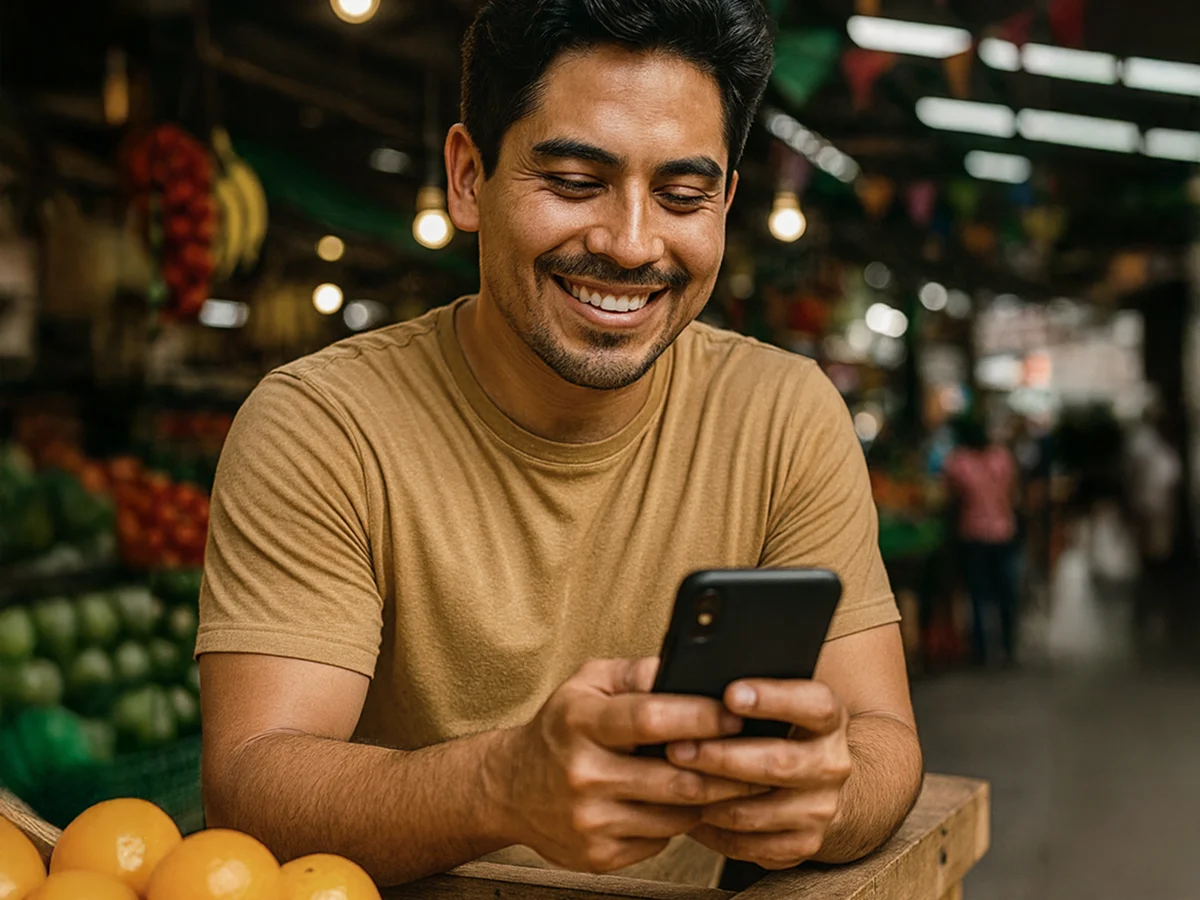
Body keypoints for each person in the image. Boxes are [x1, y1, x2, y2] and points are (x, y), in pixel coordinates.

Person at [197, 0, 923, 888]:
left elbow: (886, 742)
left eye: (683, 196)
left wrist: (817, 797)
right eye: (576, 181)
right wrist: (501, 787)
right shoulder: (322, 426)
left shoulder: (784, 414)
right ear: (469, 177)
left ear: (727, 202)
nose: (629, 242)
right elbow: (250, 785)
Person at [943, 417, 1020, 666]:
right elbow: (1014, 494)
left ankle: (981, 650)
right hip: (1003, 532)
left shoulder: (959, 463)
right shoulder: (1003, 458)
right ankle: (1007, 646)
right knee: (1005, 593)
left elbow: (951, 498)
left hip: (973, 534)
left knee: (977, 594)